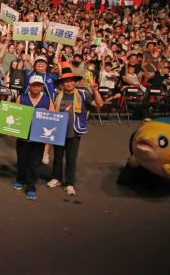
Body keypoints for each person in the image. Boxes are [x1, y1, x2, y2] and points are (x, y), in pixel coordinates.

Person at [47, 63, 104, 196]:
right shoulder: (56, 95)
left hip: (74, 131)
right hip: (58, 131)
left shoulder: (83, 94)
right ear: (62, 84)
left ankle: (70, 183)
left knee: (71, 159)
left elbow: (99, 104)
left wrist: (95, 91)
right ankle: (56, 178)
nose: (69, 84)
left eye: (71, 81)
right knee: (58, 157)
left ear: (74, 82)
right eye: (66, 81)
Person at [13, 75, 53, 200]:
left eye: (38, 85)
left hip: (38, 138)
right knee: (21, 160)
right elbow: (14, 113)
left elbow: (51, 118)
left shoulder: (47, 100)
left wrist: (47, 142)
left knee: (34, 163)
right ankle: (20, 179)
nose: (36, 87)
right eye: (34, 84)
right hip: (23, 136)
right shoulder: (22, 97)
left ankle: (31, 187)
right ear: (29, 86)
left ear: (42, 86)